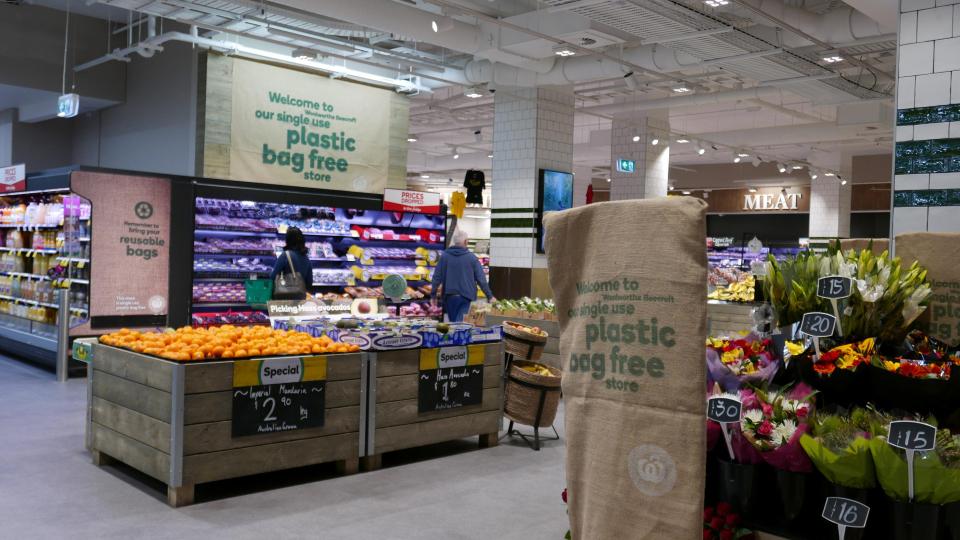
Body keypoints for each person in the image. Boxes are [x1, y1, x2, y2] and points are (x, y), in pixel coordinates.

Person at [431, 227, 495, 322]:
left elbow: (436, 277)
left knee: (453, 324)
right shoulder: (472, 258)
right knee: (460, 326)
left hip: (449, 298)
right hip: (466, 297)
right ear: (466, 242)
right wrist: (489, 296)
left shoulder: (445, 256)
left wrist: (433, 295)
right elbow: (481, 279)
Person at [270, 226, 313, 300]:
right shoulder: (306, 258)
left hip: (283, 298)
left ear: (288, 240)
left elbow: (273, 276)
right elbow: (309, 282)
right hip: (300, 298)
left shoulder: (285, 255)